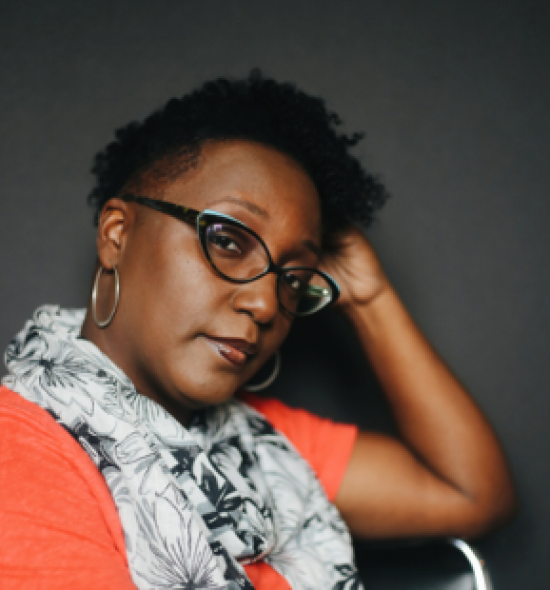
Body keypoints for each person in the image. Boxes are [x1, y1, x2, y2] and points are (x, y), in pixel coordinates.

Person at [0, 71, 516, 590]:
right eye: (227, 240)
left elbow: (470, 495)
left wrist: (369, 297)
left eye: (293, 279)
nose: (267, 303)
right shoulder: (20, 453)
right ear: (117, 235)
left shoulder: (261, 447)